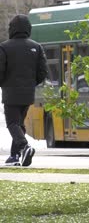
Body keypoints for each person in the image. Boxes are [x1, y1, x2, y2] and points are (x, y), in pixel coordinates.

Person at [0, 14, 48, 166]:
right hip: (28, 93)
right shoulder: (36, 47)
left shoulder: (4, 47)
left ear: (11, 29)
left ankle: (24, 146)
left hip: (10, 92)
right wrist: (31, 83)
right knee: (19, 123)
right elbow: (43, 72)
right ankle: (14, 157)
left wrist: (4, 84)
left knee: (12, 123)